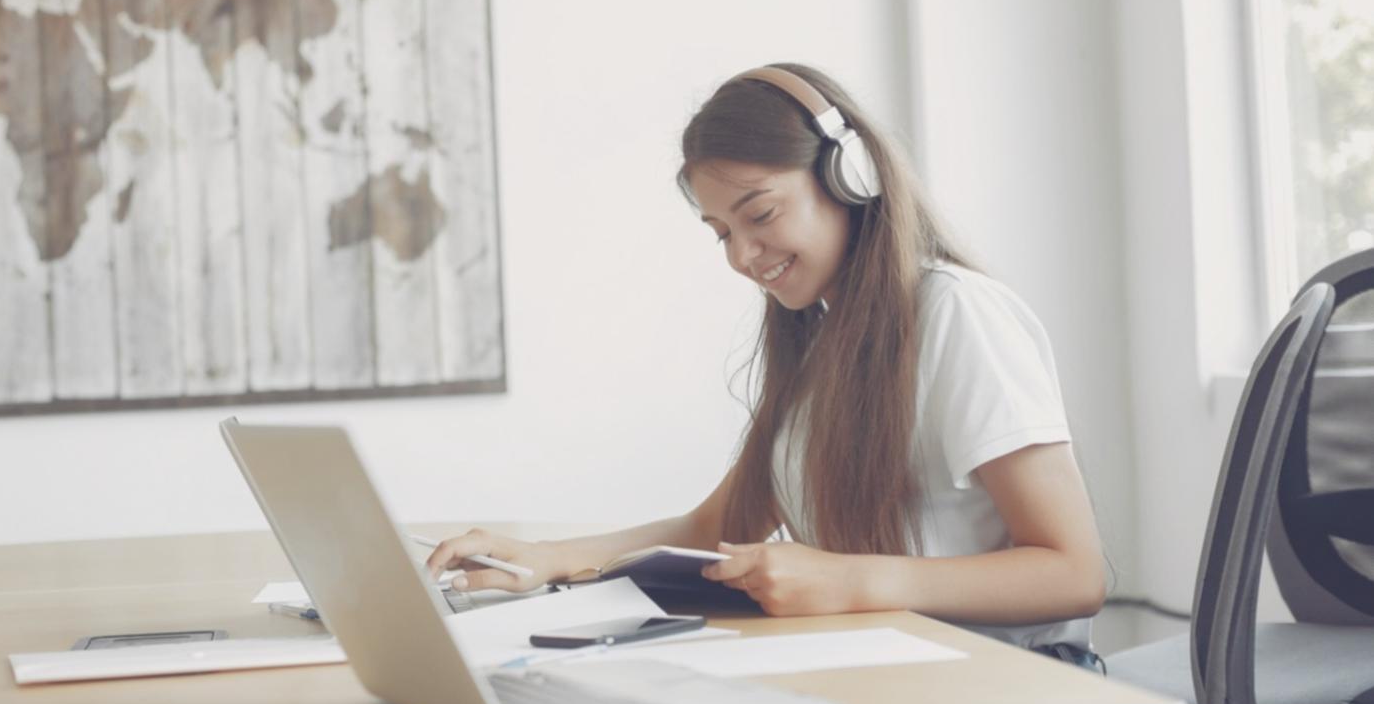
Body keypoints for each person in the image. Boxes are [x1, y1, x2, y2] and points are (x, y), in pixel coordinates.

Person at [426, 63, 1107, 664]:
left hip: (1004, 683)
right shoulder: (819, 341)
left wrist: (850, 579)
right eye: (721, 233)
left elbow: (1073, 572)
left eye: (760, 214)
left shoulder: (956, 315)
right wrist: (545, 560)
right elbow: (713, 528)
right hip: (890, 670)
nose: (742, 256)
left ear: (850, 176)